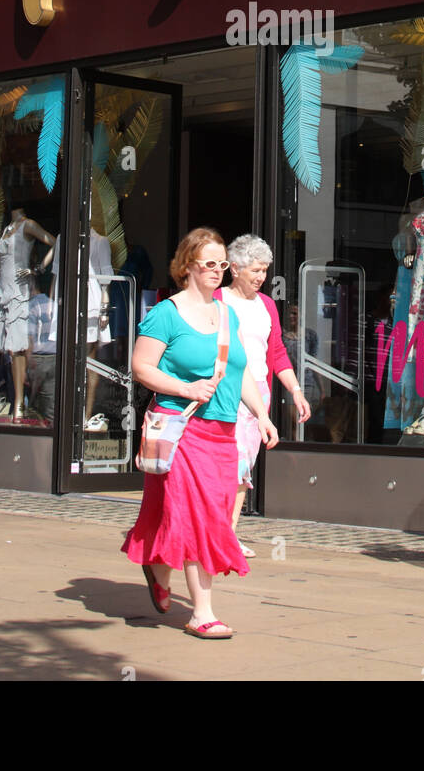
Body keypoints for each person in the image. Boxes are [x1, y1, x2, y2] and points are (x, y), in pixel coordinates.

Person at [121, 228, 278, 639]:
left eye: (222, 264)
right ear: (187, 265)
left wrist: (261, 414)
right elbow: (142, 368)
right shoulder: (166, 313)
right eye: (209, 263)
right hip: (184, 427)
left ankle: (157, 568)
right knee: (202, 515)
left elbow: (238, 370)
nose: (217, 271)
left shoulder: (226, 313)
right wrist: (185, 388)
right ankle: (202, 613)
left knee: (184, 512)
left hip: (223, 432)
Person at [216, 234, 311, 556]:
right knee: (225, 467)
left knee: (243, 469)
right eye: (255, 270)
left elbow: (277, 353)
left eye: (264, 271)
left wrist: (295, 390)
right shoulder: (217, 301)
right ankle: (218, 535)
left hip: (258, 399)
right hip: (222, 397)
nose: (261, 277)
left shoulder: (267, 305)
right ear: (235, 269)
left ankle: (226, 534)